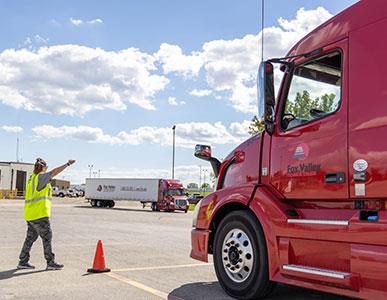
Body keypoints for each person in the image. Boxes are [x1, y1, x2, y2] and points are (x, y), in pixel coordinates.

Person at [17, 158, 76, 270]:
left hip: (30, 215)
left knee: (30, 238)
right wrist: (67, 164)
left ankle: (23, 261)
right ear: (43, 167)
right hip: (40, 215)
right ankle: (50, 262)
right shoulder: (41, 177)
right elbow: (54, 172)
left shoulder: (31, 178)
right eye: (46, 167)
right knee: (47, 237)